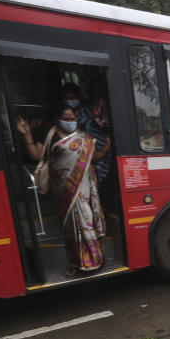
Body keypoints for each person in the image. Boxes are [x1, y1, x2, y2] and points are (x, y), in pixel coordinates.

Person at [30, 103, 105, 277]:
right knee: (71, 227)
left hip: (83, 187)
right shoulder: (49, 134)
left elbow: (92, 159)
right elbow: (36, 156)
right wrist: (26, 133)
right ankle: (75, 262)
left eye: (73, 119)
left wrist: (107, 147)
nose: (70, 122)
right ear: (58, 119)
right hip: (63, 189)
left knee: (85, 219)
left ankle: (93, 259)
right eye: (66, 119)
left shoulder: (83, 137)